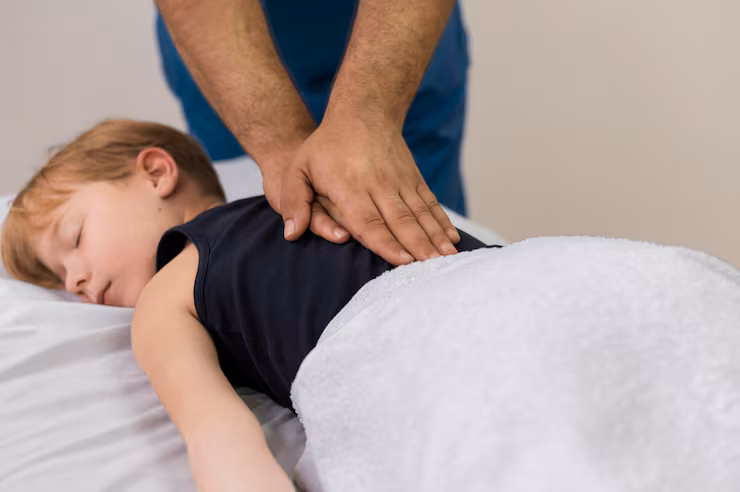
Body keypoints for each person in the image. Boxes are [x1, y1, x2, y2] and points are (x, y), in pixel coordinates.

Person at [1, 120, 497, 490]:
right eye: (62, 280)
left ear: (155, 172)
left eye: (75, 236)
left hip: (476, 292)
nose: (77, 280)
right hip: (464, 348)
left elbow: (218, 439)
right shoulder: (167, 304)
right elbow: (216, 429)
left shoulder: (315, 191)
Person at [155, 0, 471, 268]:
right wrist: (277, 143)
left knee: (416, 235)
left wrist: (368, 115)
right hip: (229, 42)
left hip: (393, 28)